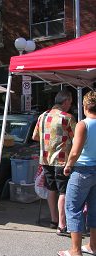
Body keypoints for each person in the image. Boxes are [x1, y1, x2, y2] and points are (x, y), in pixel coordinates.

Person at [32, 90, 76, 236]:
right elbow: (77, 139)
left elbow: (35, 137)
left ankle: (54, 220)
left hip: (45, 159)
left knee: (51, 189)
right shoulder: (67, 118)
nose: (70, 105)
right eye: (70, 102)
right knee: (63, 191)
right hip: (62, 160)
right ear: (65, 102)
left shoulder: (42, 116)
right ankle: (62, 226)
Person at [57, 91, 96, 256]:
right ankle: (93, 246)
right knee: (94, 209)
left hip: (82, 170)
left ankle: (75, 250)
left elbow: (75, 151)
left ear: (85, 106)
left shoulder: (83, 124)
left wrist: (67, 166)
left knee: (73, 208)